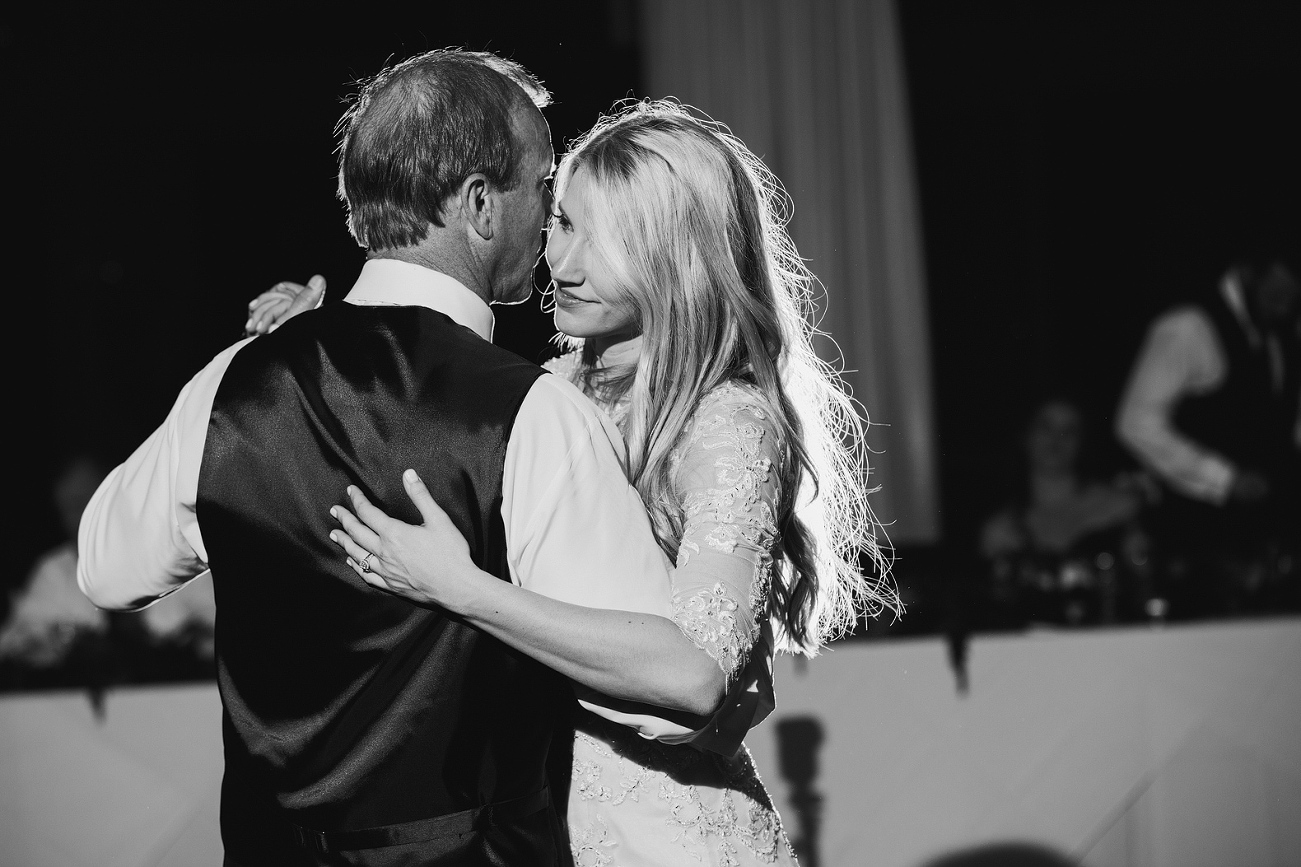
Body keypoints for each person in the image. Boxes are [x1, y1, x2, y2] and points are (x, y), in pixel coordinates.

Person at [78, 51, 720, 867]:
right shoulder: (528, 414)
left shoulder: (229, 385)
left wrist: (243, 369)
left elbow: (105, 570)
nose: (548, 218)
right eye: (542, 187)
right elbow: (672, 695)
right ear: (482, 206)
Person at [319, 100, 898, 867]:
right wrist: (326, 350)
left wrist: (464, 590)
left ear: (678, 257)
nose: (563, 263)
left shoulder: (726, 420)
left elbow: (696, 680)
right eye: (560, 222)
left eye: (606, 237)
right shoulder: (550, 388)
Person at [1115, 259, 1300, 615]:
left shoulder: (1288, 331)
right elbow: (1135, 421)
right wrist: (1223, 477)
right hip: (1195, 546)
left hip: (1270, 543)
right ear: (1248, 272)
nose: (1287, 303)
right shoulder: (1190, 327)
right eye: (1278, 290)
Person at [978, 398, 1153, 627]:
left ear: (1083, 442)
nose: (1056, 439)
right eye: (1045, 427)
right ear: (1025, 437)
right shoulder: (1000, 529)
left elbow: (1146, 589)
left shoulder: (1121, 508)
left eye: (1069, 431)